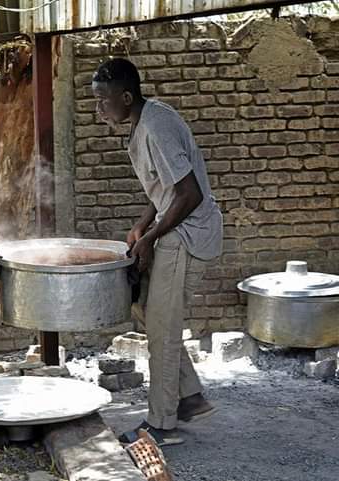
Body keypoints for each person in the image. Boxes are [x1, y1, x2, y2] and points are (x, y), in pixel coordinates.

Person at [92, 58, 223, 447]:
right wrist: (141, 224)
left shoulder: (155, 126)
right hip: (174, 226)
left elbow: (189, 194)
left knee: (162, 332)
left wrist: (150, 239)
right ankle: (189, 397)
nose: (98, 108)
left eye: (103, 100)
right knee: (147, 311)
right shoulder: (144, 120)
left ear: (127, 97)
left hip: (186, 235)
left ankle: (162, 425)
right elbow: (167, 188)